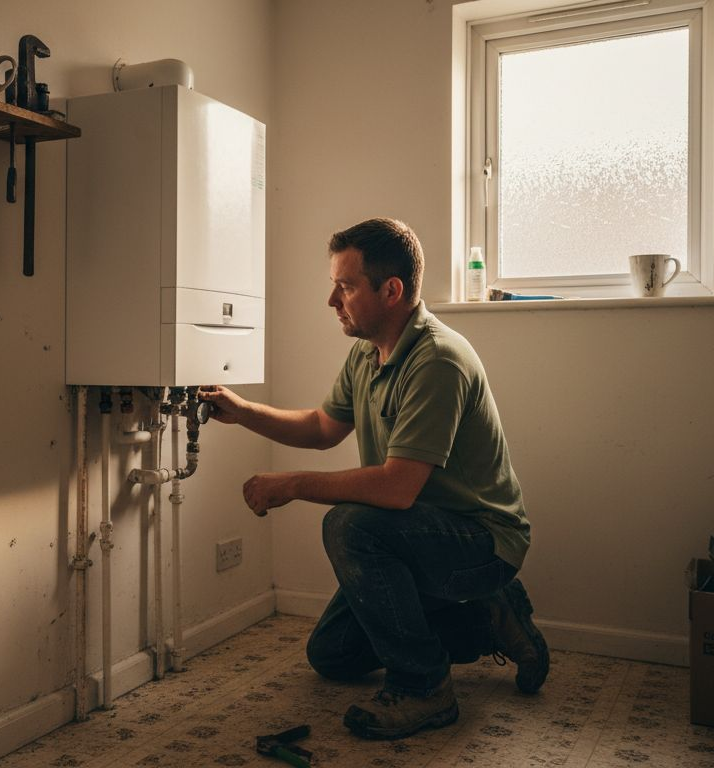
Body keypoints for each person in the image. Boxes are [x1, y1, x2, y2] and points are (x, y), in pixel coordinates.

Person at [199, 217, 548, 740]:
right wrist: (244, 410)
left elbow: (395, 488)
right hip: (421, 533)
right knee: (332, 656)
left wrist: (291, 485)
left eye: (345, 286)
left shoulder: (438, 361)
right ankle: (486, 617)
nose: (332, 300)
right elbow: (322, 428)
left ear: (391, 290)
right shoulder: (368, 351)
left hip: (481, 541)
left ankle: (425, 686)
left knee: (350, 526)